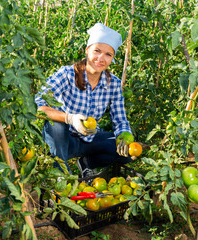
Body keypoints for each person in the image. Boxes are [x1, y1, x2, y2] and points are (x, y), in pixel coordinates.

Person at [35, 23, 135, 178]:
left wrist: (124, 136)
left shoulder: (113, 83)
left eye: (108, 54)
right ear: (87, 50)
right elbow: (38, 105)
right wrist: (69, 118)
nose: (101, 58)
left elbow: (121, 121)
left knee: (128, 151)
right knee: (55, 126)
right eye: (97, 51)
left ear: (112, 59)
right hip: (63, 141)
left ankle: (87, 163)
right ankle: (60, 176)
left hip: (90, 139)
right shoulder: (66, 74)